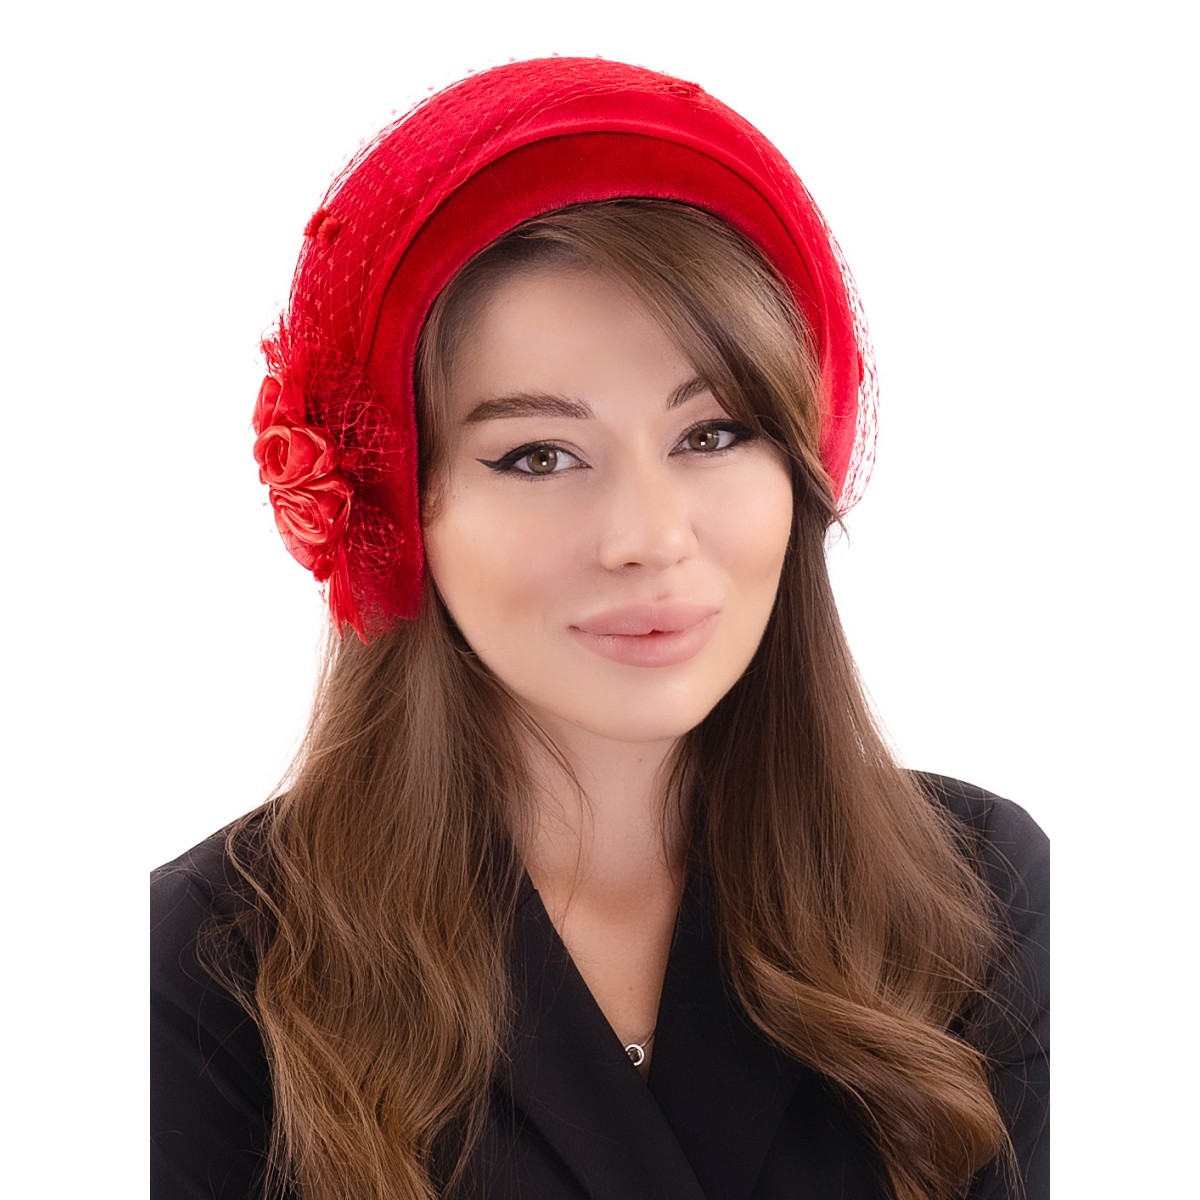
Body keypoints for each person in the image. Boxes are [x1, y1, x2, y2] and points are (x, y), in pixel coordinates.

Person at [150, 57, 1048, 1200]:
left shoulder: (979, 898)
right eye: (539, 456)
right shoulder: (209, 970)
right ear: (396, 505)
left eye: (713, 435)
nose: (649, 537)